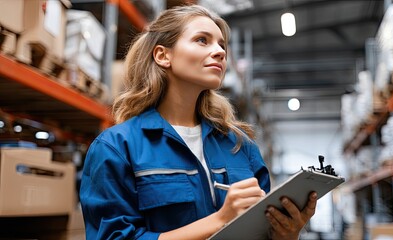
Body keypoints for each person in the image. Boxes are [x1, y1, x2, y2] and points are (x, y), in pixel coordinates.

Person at [79, 4, 317, 240]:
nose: (220, 52)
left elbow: (261, 230)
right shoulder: (117, 147)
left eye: (222, 45)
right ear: (163, 55)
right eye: (202, 40)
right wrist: (220, 220)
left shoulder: (240, 146)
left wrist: (286, 233)